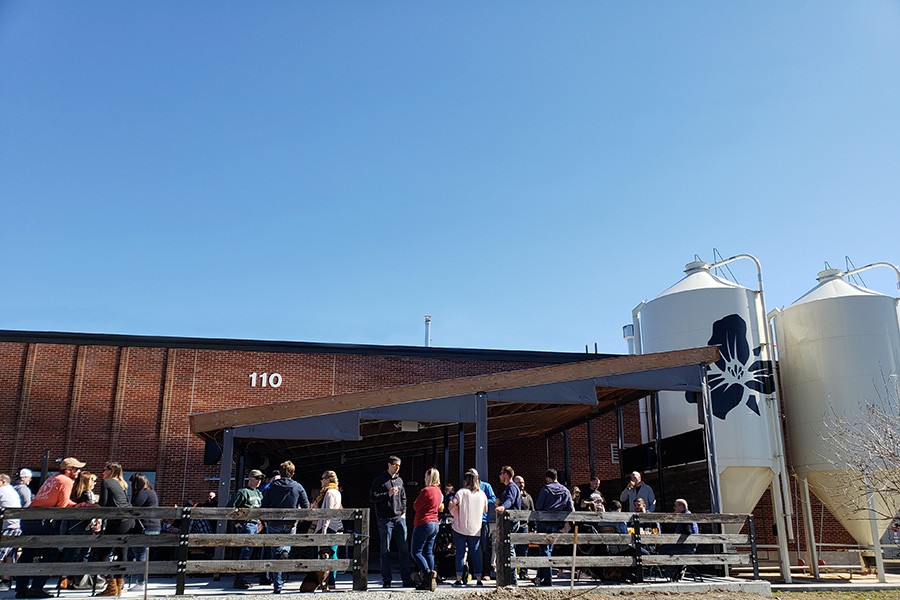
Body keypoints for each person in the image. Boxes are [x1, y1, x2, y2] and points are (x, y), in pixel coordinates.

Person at [16, 457, 85, 599]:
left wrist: (77, 505)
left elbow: (59, 501)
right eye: (76, 469)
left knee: (28, 552)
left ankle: (21, 589)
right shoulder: (66, 481)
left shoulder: (53, 478)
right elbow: (62, 506)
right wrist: (82, 506)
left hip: (28, 517)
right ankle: (36, 588)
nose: (78, 472)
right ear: (68, 470)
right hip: (40, 519)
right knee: (51, 551)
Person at [261, 460, 310, 594]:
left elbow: (263, 506)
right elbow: (306, 507)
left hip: (274, 524)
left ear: (280, 472)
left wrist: (265, 520)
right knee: (284, 549)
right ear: (292, 473)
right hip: (290, 524)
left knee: (274, 554)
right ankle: (285, 551)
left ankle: (278, 585)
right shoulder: (298, 487)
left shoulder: (272, 487)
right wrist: (298, 519)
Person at [368, 455, 414, 588]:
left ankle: (406, 579)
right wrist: (387, 494)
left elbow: (404, 497)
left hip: (399, 518)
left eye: (399, 466)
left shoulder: (400, 480)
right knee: (385, 550)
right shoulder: (380, 481)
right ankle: (387, 580)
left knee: (404, 549)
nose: (397, 468)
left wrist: (404, 512)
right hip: (385, 520)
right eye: (395, 466)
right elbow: (372, 497)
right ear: (389, 465)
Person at [97, 462, 135, 597]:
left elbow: (103, 503)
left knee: (103, 553)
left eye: (104, 469)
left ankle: (111, 585)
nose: (102, 472)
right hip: (129, 520)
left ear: (110, 471)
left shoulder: (107, 482)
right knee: (122, 551)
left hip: (117, 520)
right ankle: (119, 586)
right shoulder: (122, 484)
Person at [532, 468, 574, 587]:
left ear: (548, 478)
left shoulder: (546, 489)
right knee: (549, 550)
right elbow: (570, 508)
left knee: (544, 550)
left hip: (544, 522)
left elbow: (538, 506)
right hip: (556, 523)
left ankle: (548, 579)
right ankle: (540, 577)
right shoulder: (565, 490)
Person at [448, 469, 488, 587]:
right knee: (475, 553)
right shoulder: (482, 494)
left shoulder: (461, 492)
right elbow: (485, 510)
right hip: (475, 528)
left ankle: (459, 578)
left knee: (460, 553)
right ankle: (479, 578)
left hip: (460, 526)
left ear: (466, 480)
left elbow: (452, 504)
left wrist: (454, 510)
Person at [230, 469, 265, 590]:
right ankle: (239, 579)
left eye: (260, 479)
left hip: (256, 525)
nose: (259, 481)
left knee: (252, 551)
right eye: (257, 478)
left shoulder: (259, 493)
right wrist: (237, 523)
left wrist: (261, 522)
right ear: (250, 478)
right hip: (247, 525)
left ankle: (245, 576)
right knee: (246, 551)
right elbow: (230, 508)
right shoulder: (243, 492)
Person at [410, 467, 442, 591]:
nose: (424, 479)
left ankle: (427, 574)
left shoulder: (426, 490)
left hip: (424, 522)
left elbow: (416, 506)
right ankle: (430, 578)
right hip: (435, 523)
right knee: (429, 552)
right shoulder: (438, 491)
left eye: (425, 476)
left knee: (416, 552)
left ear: (429, 477)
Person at [128, 473, 161, 592]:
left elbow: (133, 506)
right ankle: (142, 581)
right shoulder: (151, 491)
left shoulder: (143, 492)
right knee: (142, 553)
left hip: (145, 527)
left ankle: (141, 582)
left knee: (139, 553)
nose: (130, 485)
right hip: (152, 526)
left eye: (132, 483)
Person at [312, 470, 343, 588]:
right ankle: (330, 580)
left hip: (330, 527)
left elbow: (328, 513)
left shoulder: (329, 493)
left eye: (322, 478)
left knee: (326, 554)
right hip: (336, 526)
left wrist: (323, 530)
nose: (321, 481)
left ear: (328, 479)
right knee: (333, 553)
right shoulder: (336, 491)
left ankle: (328, 581)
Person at [493, 466, 521, 586]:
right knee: (507, 548)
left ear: (506, 474)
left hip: (511, 521)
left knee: (509, 549)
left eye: (501, 473)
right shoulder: (508, 488)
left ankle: (512, 580)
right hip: (508, 521)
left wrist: (503, 506)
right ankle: (509, 579)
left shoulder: (512, 487)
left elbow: (510, 500)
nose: (499, 475)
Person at [0, 474, 22, 589]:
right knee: (8, 555)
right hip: (15, 526)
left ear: (2, 481)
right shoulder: (12, 491)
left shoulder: (2, 490)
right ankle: (5, 581)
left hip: (6, 526)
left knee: (1, 554)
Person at [512, 476, 533, 581]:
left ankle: (524, 572)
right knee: (512, 550)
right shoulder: (511, 496)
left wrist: (533, 527)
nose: (521, 484)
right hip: (513, 526)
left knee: (523, 551)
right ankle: (513, 572)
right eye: (519, 482)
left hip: (524, 526)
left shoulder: (527, 497)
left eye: (523, 482)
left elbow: (533, 511)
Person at [477, 474, 496, 581]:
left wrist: (482, 500)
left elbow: (493, 499)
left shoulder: (486, 486)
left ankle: (486, 572)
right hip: (470, 521)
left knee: (484, 547)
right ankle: (474, 571)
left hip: (483, 520)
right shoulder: (467, 488)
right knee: (473, 547)